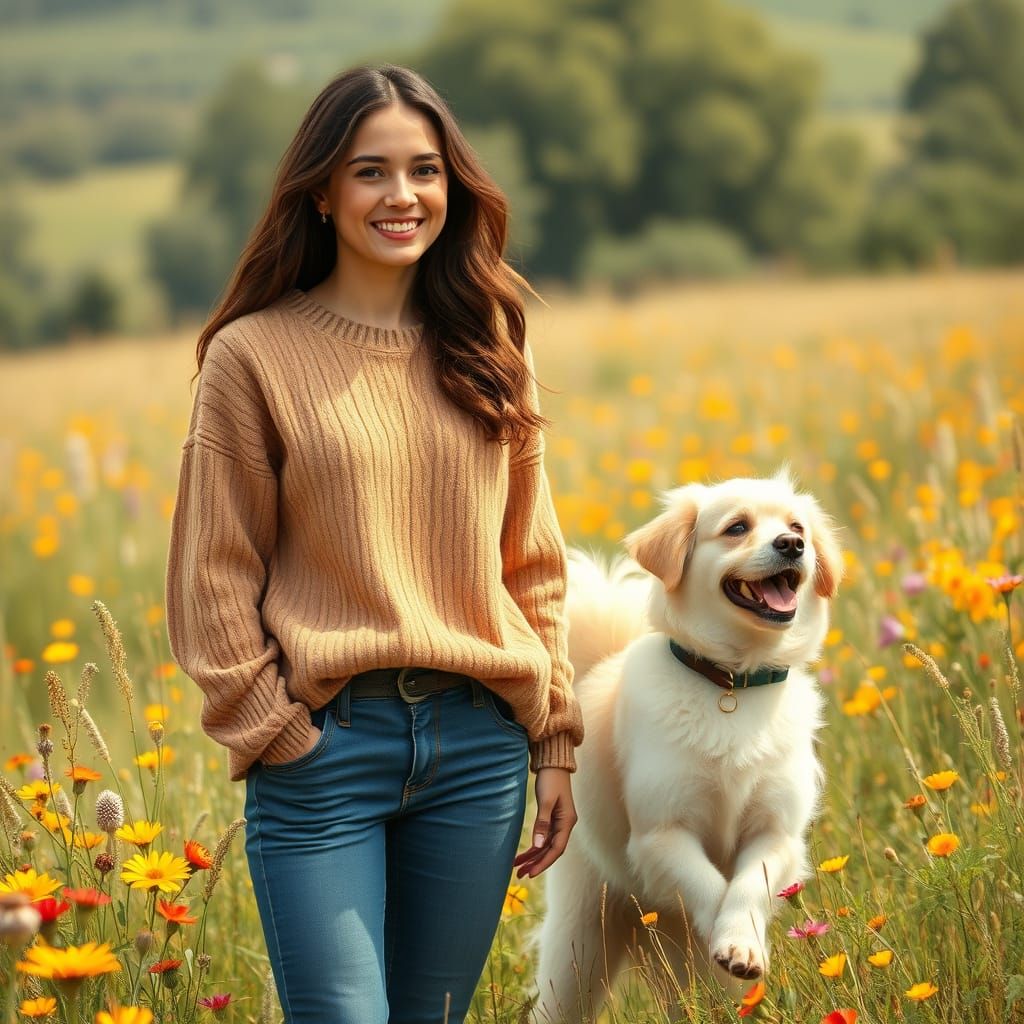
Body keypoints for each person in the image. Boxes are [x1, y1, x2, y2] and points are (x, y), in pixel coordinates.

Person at [164, 63, 584, 1024]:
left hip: (479, 752)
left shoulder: (489, 344)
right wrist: (280, 736)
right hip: (325, 755)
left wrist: (552, 742)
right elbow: (212, 574)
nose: (403, 196)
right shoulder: (252, 357)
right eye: (370, 172)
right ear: (319, 191)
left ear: (453, 186)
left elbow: (533, 565)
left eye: (426, 170)